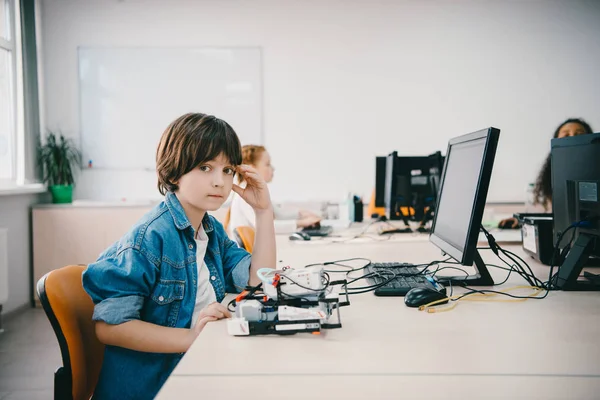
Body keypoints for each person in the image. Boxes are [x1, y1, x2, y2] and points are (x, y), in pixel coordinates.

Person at [82, 113, 276, 400]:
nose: (219, 182)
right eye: (205, 167)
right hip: (155, 386)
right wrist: (192, 337)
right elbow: (111, 328)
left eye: (227, 171)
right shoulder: (150, 238)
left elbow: (259, 281)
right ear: (174, 173)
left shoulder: (211, 232)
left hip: (197, 368)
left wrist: (263, 211)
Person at [498, 118, 594, 229]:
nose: (572, 138)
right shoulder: (549, 177)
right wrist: (521, 220)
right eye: (566, 136)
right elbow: (544, 212)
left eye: (579, 134)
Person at [228, 144, 322, 235]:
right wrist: (301, 223)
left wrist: (302, 214)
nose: (273, 168)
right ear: (251, 168)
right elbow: (264, 227)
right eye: (267, 164)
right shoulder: (246, 192)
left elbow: (279, 214)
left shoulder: (257, 191)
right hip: (248, 250)